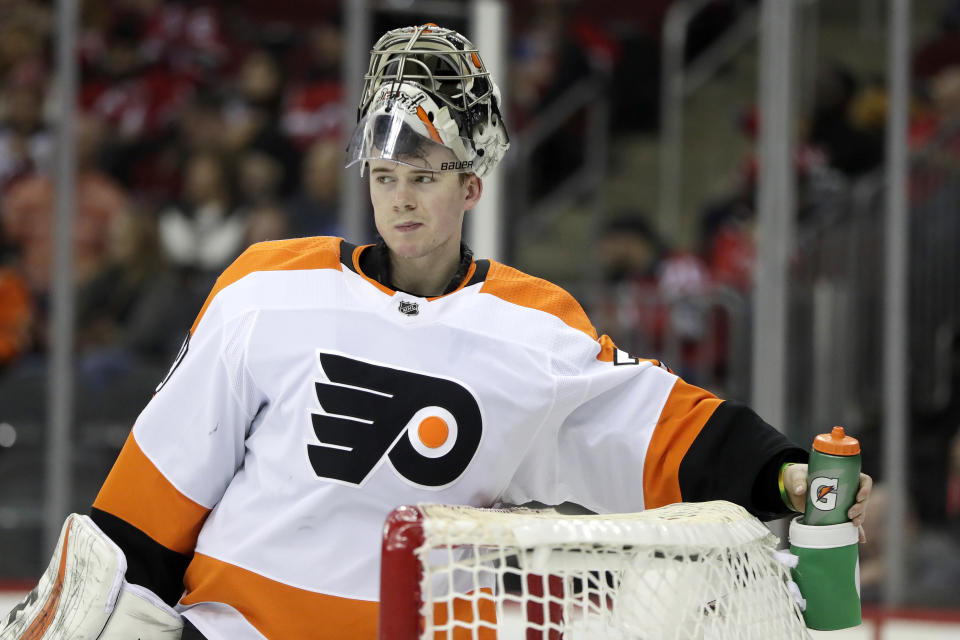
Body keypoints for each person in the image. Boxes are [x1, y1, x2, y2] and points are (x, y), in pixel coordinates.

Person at [1, 24, 872, 640]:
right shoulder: (265, 288)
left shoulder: (532, 329)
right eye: (384, 174)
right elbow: (156, 493)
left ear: (471, 189)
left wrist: (783, 472)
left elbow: (661, 426)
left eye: (424, 174)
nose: (401, 196)